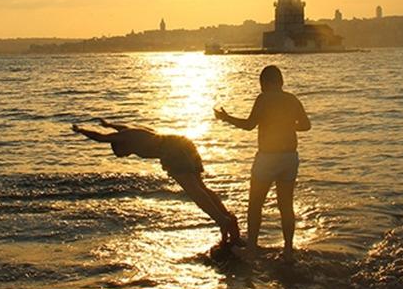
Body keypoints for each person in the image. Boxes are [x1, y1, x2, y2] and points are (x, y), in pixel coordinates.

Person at [71, 118, 242, 246]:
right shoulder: (128, 131)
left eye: (124, 153)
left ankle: (223, 221)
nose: (127, 155)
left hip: (172, 151)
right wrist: (108, 124)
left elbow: (100, 138)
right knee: (201, 187)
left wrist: (81, 130)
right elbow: (120, 127)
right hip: (183, 143)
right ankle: (227, 218)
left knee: (194, 191)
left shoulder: (124, 138)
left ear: (120, 144)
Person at [214, 65, 310, 258]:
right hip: (290, 157)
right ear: (281, 81)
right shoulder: (292, 99)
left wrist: (226, 118)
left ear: (266, 82)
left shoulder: (263, 98)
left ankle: (251, 249)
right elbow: (306, 125)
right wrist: (287, 126)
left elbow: (249, 125)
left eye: (261, 84)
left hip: (268, 157)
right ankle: (288, 250)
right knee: (286, 206)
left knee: (255, 204)